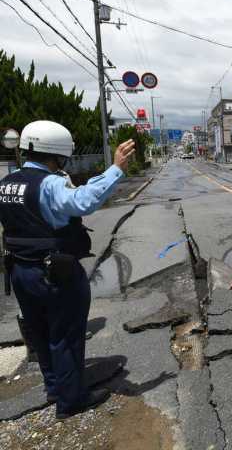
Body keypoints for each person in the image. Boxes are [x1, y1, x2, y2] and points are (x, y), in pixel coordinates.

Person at [0, 120, 135, 420]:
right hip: (54, 272)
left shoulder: (7, 184)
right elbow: (82, 201)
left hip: (19, 271)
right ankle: (71, 400)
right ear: (58, 153)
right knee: (65, 335)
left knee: (40, 333)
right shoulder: (49, 184)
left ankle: (54, 387)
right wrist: (116, 169)